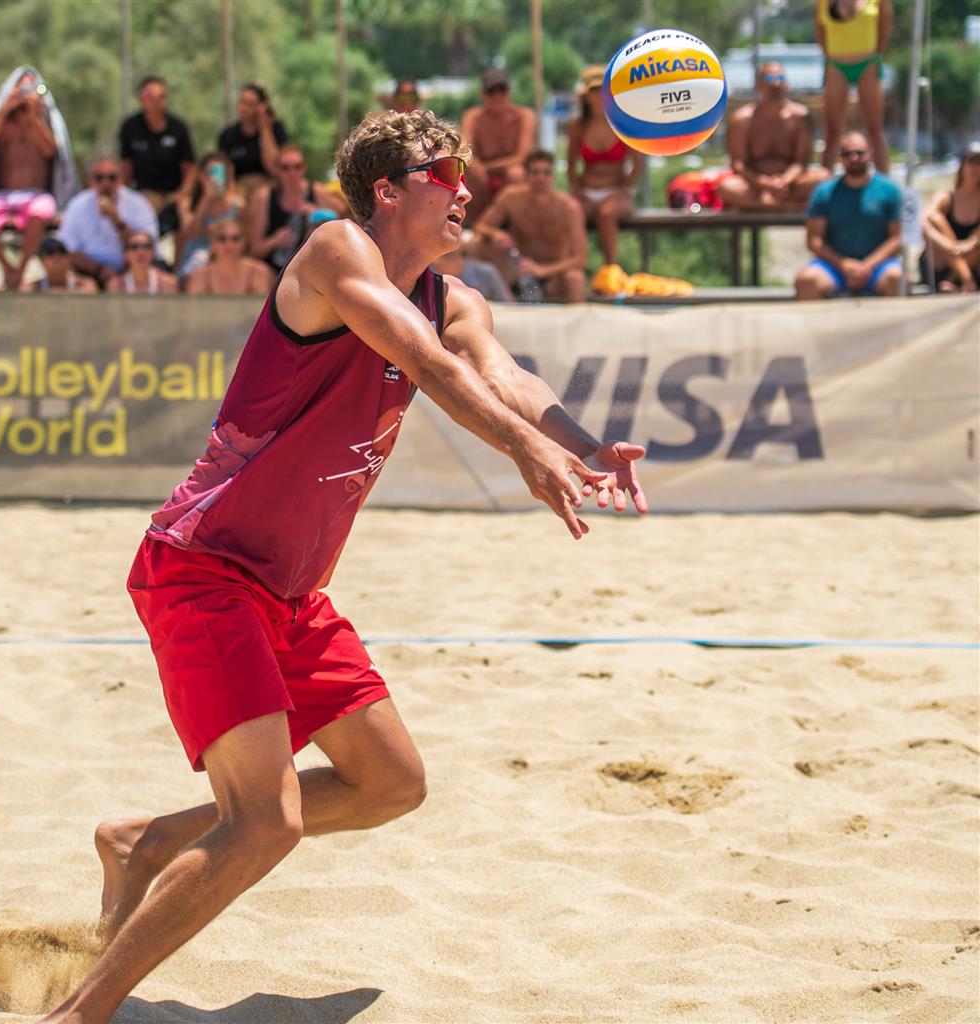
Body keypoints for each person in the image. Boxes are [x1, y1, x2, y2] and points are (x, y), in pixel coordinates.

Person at [34, 108, 646, 1024]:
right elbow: (425, 362)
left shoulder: (454, 297)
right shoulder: (334, 250)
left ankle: (144, 842)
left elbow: (505, 375)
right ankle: (76, 1013)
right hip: (205, 567)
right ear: (386, 190)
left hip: (290, 592)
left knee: (390, 782)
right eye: (446, 173)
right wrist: (523, 450)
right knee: (266, 822)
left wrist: (585, 446)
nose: (466, 189)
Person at [0, 67, 78, 290]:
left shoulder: (43, 121)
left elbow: (50, 150)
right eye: (22, 88)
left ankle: (21, 269)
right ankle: (7, 267)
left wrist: (35, 116)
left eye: (32, 88)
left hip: (35, 195)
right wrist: (6, 107)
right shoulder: (4, 122)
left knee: (39, 213)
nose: (26, 93)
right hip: (1, 196)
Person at [794, 130, 901, 299]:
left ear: (870, 153)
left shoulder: (890, 190)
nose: (854, 158)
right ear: (840, 158)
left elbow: (897, 238)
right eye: (847, 154)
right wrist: (843, 264)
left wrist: (867, 266)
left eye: (859, 153)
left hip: (879, 266)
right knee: (807, 280)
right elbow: (814, 240)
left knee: (897, 278)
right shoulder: (824, 192)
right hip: (834, 266)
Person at [474, 149, 587, 303]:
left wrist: (542, 270)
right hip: (519, 272)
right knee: (477, 245)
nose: (541, 178)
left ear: (553, 175)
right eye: (535, 173)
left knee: (575, 278)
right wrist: (495, 234)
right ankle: (485, 304)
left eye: (546, 173)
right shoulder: (511, 197)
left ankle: (577, 318)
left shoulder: (569, 207)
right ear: (526, 175)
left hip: (554, 277)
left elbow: (580, 259)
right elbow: (480, 226)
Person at [718, 62, 831, 211]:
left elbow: (802, 161)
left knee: (824, 177)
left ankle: (767, 205)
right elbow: (739, 163)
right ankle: (785, 206)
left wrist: (784, 182)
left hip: (791, 185)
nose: (776, 83)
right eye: (770, 78)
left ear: (787, 83)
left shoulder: (800, 117)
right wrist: (764, 183)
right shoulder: (742, 119)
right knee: (725, 187)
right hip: (755, 187)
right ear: (759, 84)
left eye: (781, 78)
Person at [567, 66, 642, 270]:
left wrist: (625, 188)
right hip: (587, 190)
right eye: (594, 91)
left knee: (607, 214)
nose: (598, 96)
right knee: (572, 213)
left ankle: (611, 270)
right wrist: (577, 190)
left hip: (616, 190)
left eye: (602, 91)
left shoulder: (623, 124)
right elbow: (571, 166)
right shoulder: (577, 126)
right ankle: (572, 271)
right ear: (586, 96)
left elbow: (637, 164)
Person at [58, 153, 159, 290]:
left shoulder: (138, 203)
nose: (106, 184)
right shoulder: (77, 205)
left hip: (132, 271)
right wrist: (100, 270)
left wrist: (117, 222)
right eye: (99, 178)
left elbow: (147, 245)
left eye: (112, 178)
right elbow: (68, 249)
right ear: (90, 180)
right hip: (90, 272)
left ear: (121, 179)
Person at [816, 0, 891, 172]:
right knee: (832, 132)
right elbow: (820, 33)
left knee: (875, 130)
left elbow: (885, 28)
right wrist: (832, 56)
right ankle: (824, 182)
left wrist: (874, 54)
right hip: (836, 65)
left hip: (868, 63)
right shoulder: (822, 2)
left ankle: (885, 183)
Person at [248, 143, 346, 272]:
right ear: (277, 170)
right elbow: (255, 250)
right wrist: (274, 241)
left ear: (304, 168)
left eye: (297, 167)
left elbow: (346, 220)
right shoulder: (265, 197)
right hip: (273, 270)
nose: (292, 172)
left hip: (309, 268)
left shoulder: (317, 192)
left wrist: (318, 215)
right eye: (285, 168)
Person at [118, 75, 196, 237]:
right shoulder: (130, 127)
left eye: (160, 96)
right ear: (141, 98)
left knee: (185, 217)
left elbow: (190, 168)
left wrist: (183, 192)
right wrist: (120, 193)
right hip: (146, 191)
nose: (155, 101)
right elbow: (126, 167)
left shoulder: (178, 127)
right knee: (141, 215)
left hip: (175, 191)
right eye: (150, 96)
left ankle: (182, 254)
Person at [460, 69, 536, 227]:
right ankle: (471, 225)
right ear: (483, 94)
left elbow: (522, 156)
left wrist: (487, 167)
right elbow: (465, 150)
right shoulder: (473, 117)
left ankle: (514, 227)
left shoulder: (525, 116)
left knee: (516, 174)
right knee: (471, 171)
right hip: (482, 181)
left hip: (510, 175)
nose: (497, 96)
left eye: (502, 90)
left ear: (509, 92)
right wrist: (478, 168)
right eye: (491, 91)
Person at [918, 141, 979, 293]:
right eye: (971, 162)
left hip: (972, 258)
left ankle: (955, 280)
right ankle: (967, 280)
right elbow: (923, 219)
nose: (976, 168)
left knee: (976, 245)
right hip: (941, 260)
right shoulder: (946, 196)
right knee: (936, 219)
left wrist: (970, 243)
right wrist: (948, 244)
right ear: (962, 166)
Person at [175, 151, 247, 280]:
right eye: (210, 173)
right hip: (194, 260)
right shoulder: (187, 203)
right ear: (202, 175)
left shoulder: (238, 205)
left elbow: (245, 240)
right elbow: (190, 234)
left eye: (220, 172)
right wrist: (206, 198)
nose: (215, 178)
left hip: (226, 258)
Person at [217, 83, 287, 201]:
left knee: (263, 197)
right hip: (238, 188)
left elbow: (274, 168)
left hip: (268, 186)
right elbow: (223, 172)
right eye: (242, 102)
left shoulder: (275, 129)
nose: (243, 108)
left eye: (249, 104)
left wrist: (265, 128)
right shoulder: (227, 135)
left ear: (262, 106)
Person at [183, 219, 273, 296]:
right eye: (222, 239)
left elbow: (265, 309)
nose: (229, 245)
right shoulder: (200, 276)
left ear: (244, 243)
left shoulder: (258, 273)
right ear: (212, 244)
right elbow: (193, 309)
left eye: (235, 238)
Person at [431, 232, 512, 303]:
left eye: (454, 233)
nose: (449, 237)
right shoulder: (426, 271)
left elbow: (508, 305)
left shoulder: (486, 272)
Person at [106, 228, 178, 295]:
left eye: (146, 246)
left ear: (153, 253)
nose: (141, 253)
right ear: (126, 254)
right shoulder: (115, 286)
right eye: (134, 247)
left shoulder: (169, 284)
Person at [20, 235, 98, 294]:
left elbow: (91, 288)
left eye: (62, 251)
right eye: (50, 252)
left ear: (69, 258)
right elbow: (24, 290)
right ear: (42, 260)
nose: (57, 256)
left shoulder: (83, 283)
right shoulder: (35, 286)